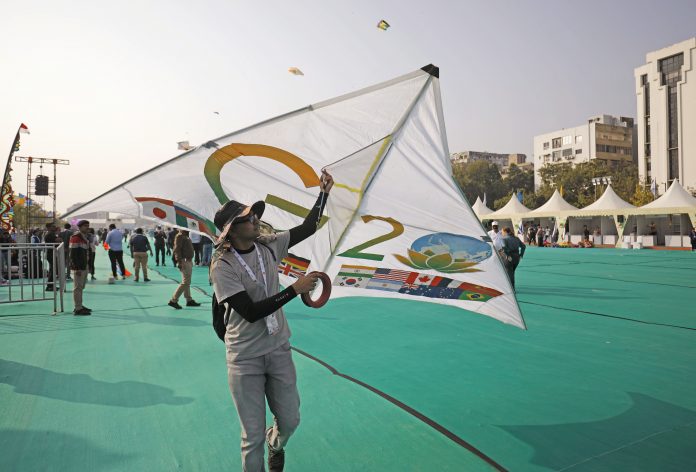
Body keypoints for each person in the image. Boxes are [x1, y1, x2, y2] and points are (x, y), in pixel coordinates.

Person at [210, 170, 333, 472]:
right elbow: (250, 312)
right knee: (251, 437)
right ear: (232, 230)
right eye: (248, 218)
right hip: (244, 358)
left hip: (278, 348)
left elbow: (308, 226)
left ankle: (275, 444)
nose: (256, 221)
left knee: (290, 420)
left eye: (254, 216)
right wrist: (294, 290)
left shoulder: (269, 244)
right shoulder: (221, 265)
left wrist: (324, 193)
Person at [168, 230, 200, 308]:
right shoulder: (180, 236)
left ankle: (189, 300)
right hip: (184, 261)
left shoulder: (185, 235)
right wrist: (179, 261)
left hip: (187, 260)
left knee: (186, 282)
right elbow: (177, 249)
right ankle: (173, 300)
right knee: (186, 282)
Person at [69, 220, 92, 315]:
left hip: (84, 265)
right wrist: (76, 267)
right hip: (79, 267)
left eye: (88, 225)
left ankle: (79, 305)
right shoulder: (76, 238)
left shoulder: (84, 237)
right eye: (85, 226)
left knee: (81, 287)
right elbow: (73, 254)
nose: (87, 227)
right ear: (80, 227)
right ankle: (78, 308)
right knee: (78, 287)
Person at [43, 223, 59, 290]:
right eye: (53, 226)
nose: (54, 227)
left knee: (52, 269)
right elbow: (57, 241)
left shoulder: (51, 234)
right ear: (48, 227)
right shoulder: (50, 234)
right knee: (52, 270)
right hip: (51, 254)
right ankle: (50, 286)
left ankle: (51, 285)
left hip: (52, 253)